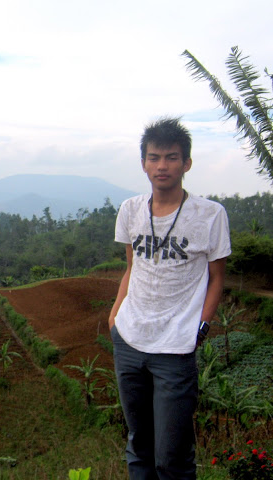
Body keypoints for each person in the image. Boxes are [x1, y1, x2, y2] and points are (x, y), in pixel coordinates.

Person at [108, 117, 231, 479]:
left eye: (172, 157)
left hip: (176, 349)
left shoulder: (210, 215)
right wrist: (115, 317)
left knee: (172, 457)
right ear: (144, 163)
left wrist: (201, 329)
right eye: (154, 157)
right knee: (138, 445)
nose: (162, 166)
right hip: (129, 341)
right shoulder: (130, 210)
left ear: (187, 163)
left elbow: (217, 278)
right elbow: (131, 267)